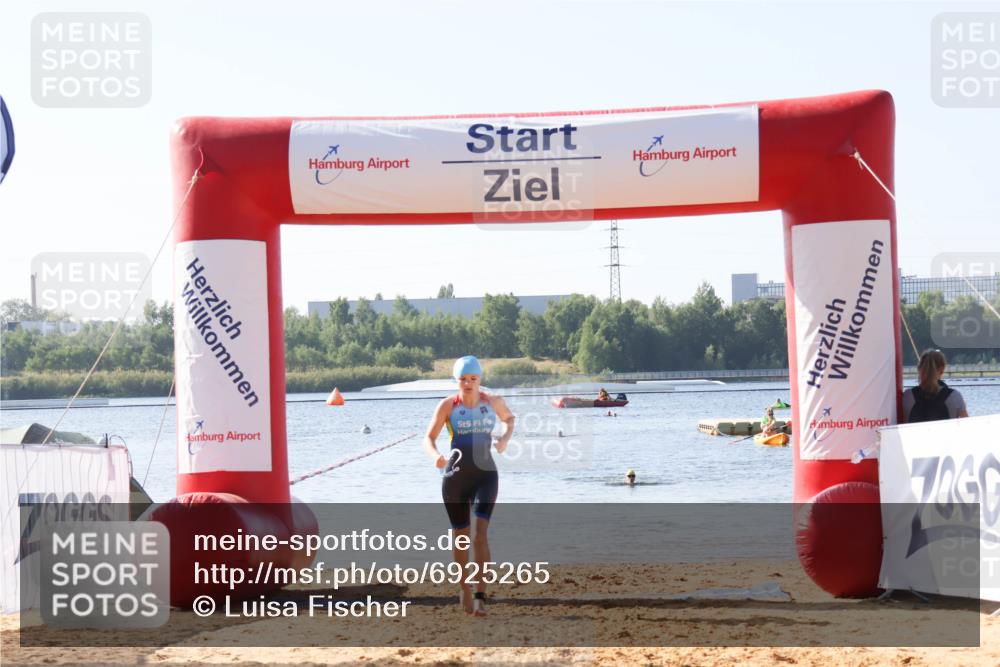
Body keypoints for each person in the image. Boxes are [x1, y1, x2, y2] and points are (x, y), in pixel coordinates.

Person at [423, 355, 515, 617]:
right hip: (455, 478)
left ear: (480, 380)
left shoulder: (492, 402)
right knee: (461, 538)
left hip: (486, 476)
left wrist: (505, 440)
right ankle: (464, 586)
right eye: (463, 379)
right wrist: (436, 458)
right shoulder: (447, 407)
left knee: (479, 534)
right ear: (457, 381)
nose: (468, 383)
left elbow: (510, 419)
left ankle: (480, 596)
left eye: (472, 379)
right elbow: (428, 439)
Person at [903, 349, 969, 423]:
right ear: (942, 369)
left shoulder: (907, 395)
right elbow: (967, 426)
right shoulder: (954, 396)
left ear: (919, 369)